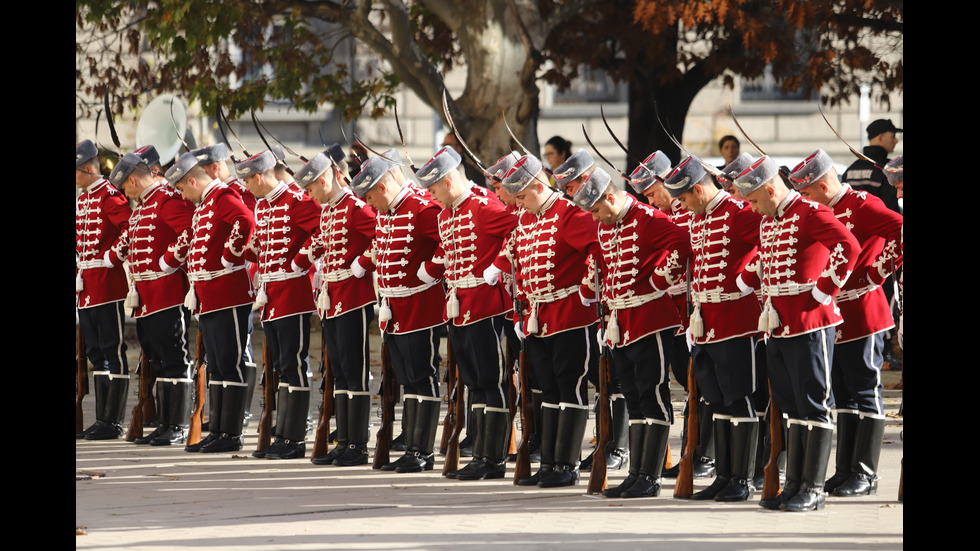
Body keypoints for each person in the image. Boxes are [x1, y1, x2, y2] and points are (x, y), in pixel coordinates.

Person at [736, 156, 860, 512]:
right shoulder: (771, 218)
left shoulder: (809, 212)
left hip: (810, 321)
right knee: (790, 406)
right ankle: (793, 484)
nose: (752, 207)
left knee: (814, 404)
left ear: (772, 189)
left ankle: (814, 488)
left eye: (755, 199)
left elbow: (848, 246)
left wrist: (825, 290)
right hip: (778, 323)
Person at [569, 167, 690, 498]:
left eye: (596, 210)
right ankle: (637, 472)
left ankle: (651, 476)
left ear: (610, 196)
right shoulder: (608, 225)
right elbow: (607, 264)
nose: (596, 218)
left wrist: (659, 281)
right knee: (634, 398)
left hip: (651, 317)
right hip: (620, 322)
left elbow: (682, 241)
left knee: (652, 393)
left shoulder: (647, 218)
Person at [789, 149, 903, 497]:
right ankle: (845, 469)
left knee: (865, 388)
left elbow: (901, 231)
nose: (804, 198)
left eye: (807, 191)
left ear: (823, 184)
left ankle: (866, 472)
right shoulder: (821, 210)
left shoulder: (861, 204)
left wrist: (878, 270)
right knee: (842, 394)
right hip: (832, 312)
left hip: (863, 309)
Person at [663, 156, 765, 502]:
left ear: (698, 188)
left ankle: (743, 477)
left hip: (736, 321)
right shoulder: (699, 218)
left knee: (739, 399)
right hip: (705, 322)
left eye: (685, 198)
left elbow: (774, 238)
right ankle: (724, 474)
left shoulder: (738, 212)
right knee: (717, 400)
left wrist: (750, 278)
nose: (682, 206)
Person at [415, 146, 519, 480]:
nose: (431, 197)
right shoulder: (447, 214)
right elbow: (448, 249)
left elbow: (520, 229)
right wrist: (432, 268)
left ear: (447, 181)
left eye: (433, 190)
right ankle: (479, 452)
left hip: (487, 306)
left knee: (492, 381)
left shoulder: (485, 206)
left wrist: (499, 265)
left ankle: (494, 458)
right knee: (473, 383)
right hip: (458, 305)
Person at [498, 154, 600, 488]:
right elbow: (522, 270)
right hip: (536, 319)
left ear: (539, 186)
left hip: (570, 315)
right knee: (547, 390)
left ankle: (566, 465)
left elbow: (597, 250)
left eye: (523, 196)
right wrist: (520, 313)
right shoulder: (528, 219)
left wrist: (587, 288)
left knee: (569, 387)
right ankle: (550, 462)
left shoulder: (569, 214)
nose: (519, 204)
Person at [350, 156, 447, 473]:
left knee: (423, 376)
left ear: (382, 186)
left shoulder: (421, 208)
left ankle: (423, 451)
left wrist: (430, 272)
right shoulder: (388, 212)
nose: (368, 203)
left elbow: (449, 243)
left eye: (370, 196)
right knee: (407, 379)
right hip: (393, 308)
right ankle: (411, 446)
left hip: (421, 307)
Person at [167, 152, 255, 454]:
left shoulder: (221, 197)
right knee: (217, 365)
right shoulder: (206, 203)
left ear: (192, 180)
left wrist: (230, 257)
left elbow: (246, 221)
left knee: (230, 363)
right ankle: (218, 430)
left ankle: (231, 433)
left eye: (182, 188)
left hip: (227, 292)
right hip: (209, 295)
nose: (182, 194)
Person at [297, 146, 378, 467]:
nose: (309, 194)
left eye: (312, 186)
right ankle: (343, 439)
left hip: (353, 297)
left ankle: (356, 444)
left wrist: (362, 262)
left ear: (326, 178)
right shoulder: (329, 208)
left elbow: (381, 235)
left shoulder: (355, 206)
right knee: (339, 372)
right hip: (331, 297)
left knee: (354, 371)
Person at [237, 150, 321, 460]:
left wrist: (300, 261)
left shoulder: (296, 201)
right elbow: (268, 245)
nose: (246, 188)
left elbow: (322, 232)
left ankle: (294, 439)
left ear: (259, 177)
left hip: (292, 295)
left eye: (247, 182)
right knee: (279, 367)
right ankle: (284, 434)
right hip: (269, 295)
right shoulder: (264, 205)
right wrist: (252, 251)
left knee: (293, 364)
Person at [107, 152, 195, 446]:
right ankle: (165, 423)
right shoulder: (144, 205)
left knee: (174, 359)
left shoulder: (166, 200)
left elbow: (190, 231)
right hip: (145, 296)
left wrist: (168, 261)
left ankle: (178, 425)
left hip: (168, 294)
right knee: (157, 360)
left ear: (132, 180)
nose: (125, 194)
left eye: (126, 188)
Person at [76, 140, 132, 440]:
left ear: (87, 168)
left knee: (113, 350)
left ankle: (114, 420)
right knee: (95, 352)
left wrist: (113, 256)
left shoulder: (110, 196)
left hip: (107, 285)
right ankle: (102, 418)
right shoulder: (84, 199)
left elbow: (130, 230)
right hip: (85, 287)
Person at [841, 119, 902, 214]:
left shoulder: (851, 169)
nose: (896, 141)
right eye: (892, 136)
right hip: (883, 225)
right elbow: (891, 209)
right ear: (880, 137)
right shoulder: (887, 169)